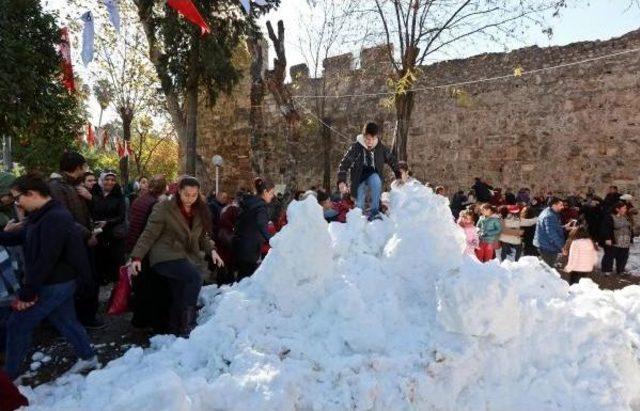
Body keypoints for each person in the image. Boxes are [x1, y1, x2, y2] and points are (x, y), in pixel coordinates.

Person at [0, 174, 97, 380]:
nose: (17, 202)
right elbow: (20, 236)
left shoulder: (55, 217)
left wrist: (27, 293)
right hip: (55, 281)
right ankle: (88, 356)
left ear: (32, 194)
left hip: (56, 282)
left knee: (17, 324)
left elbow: (45, 260)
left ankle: (9, 379)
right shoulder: (40, 214)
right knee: (65, 320)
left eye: (18, 197)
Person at [130, 176, 223, 337]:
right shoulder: (164, 207)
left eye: (194, 195)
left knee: (179, 291)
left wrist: (212, 251)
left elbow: (204, 236)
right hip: (165, 254)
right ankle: (188, 324)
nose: (190, 198)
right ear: (179, 191)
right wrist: (137, 257)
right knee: (195, 278)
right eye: (187, 194)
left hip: (186, 255)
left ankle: (174, 329)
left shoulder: (199, 209)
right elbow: (149, 233)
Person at [48, 151, 103, 330]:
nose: (85, 171)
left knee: (88, 280)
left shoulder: (71, 185)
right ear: (77, 167)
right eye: (84, 167)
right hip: (74, 243)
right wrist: (87, 235)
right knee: (83, 282)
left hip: (81, 241)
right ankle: (82, 320)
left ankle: (85, 317)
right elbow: (65, 220)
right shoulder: (57, 187)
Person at [337, 122, 400, 219]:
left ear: (376, 138)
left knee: (376, 180)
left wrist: (398, 174)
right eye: (367, 139)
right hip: (358, 177)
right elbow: (345, 163)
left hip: (372, 174)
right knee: (360, 198)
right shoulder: (356, 147)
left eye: (373, 139)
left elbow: (392, 159)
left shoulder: (380, 147)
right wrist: (341, 181)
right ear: (363, 136)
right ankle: (359, 216)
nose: (370, 142)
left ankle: (375, 211)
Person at [232, 178, 275, 280]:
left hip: (239, 245)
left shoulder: (249, 202)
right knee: (245, 279)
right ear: (265, 192)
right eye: (272, 192)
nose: (273, 196)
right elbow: (261, 225)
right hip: (249, 249)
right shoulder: (261, 207)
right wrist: (273, 241)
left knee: (241, 276)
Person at [91, 172, 126, 284]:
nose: (110, 182)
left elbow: (121, 216)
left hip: (113, 235)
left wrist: (107, 222)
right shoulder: (94, 194)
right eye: (107, 179)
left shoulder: (118, 196)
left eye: (112, 180)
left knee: (114, 261)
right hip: (98, 234)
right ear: (101, 180)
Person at [600, 201, 632, 276]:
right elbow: (605, 228)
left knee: (623, 257)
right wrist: (607, 238)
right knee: (609, 256)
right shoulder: (610, 217)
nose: (625, 209)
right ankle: (607, 270)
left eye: (625, 208)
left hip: (625, 241)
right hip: (614, 241)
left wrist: (631, 237)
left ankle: (620, 270)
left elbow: (629, 228)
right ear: (617, 209)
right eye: (624, 208)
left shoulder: (625, 217)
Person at [533, 197, 567, 268]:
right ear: (554, 205)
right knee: (547, 270)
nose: (562, 207)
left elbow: (551, 228)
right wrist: (562, 247)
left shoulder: (549, 212)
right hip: (547, 247)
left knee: (546, 268)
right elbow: (552, 234)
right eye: (560, 205)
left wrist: (564, 227)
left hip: (546, 245)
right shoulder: (549, 216)